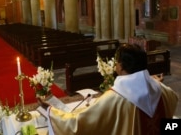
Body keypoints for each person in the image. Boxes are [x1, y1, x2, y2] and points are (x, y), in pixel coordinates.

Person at [38, 43, 178, 135]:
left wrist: (51, 110)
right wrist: (154, 82)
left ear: (121, 66)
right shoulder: (162, 89)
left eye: (117, 61)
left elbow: (78, 124)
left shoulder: (114, 99)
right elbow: (173, 98)